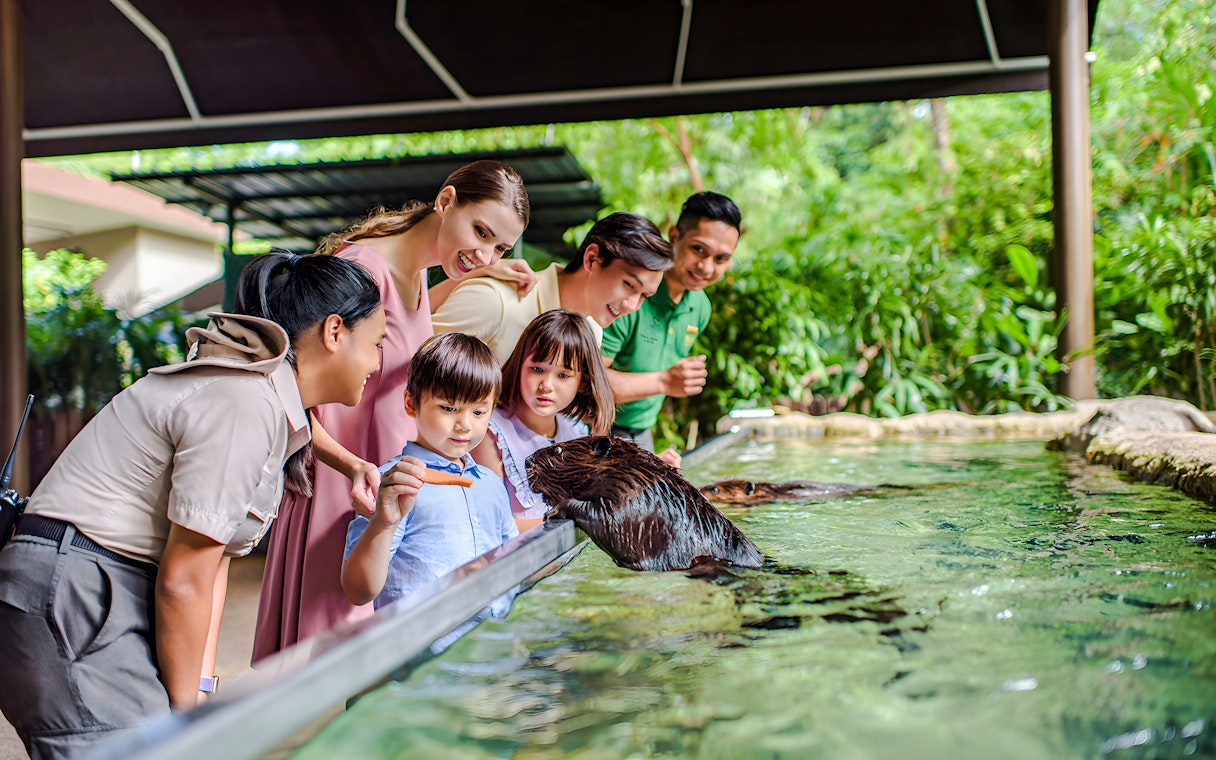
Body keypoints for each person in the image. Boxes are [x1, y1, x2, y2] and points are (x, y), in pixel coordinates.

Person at [0, 251, 384, 758]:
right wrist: (188, 718)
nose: (378, 362)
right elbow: (184, 579)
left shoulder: (266, 402)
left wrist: (199, 692)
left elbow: (211, 565)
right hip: (72, 590)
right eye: (376, 343)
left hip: (93, 583)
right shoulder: (245, 403)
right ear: (335, 332)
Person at [254, 160, 530, 662]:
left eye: (500, 246)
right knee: (330, 668)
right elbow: (287, 393)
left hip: (389, 492)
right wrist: (351, 466)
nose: (486, 252)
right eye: (481, 232)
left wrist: (484, 268)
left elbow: (404, 325)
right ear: (446, 201)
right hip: (344, 492)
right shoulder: (361, 267)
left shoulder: (419, 276)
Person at [341, 332, 516, 640]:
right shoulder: (391, 484)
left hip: (490, 649)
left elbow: (511, 566)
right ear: (411, 404)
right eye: (448, 408)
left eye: (478, 411)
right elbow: (358, 590)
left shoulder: (491, 484)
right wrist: (383, 522)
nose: (464, 424)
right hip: (420, 658)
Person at [600, 192, 742, 466]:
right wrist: (666, 381)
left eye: (721, 259)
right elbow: (588, 384)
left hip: (641, 432)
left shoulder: (700, 307)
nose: (706, 267)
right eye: (698, 250)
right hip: (592, 429)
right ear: (675, 236)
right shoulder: (633, 293)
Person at [430, 211, 673, 365]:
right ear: (592, 259)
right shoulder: (494, 301)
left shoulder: (591, 334)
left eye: (644, 296)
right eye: (629, 285)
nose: (632, 305)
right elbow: (409, 373)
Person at [470, 309, 615, 532]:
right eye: (537, 369)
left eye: (563, 375)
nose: (546, 384)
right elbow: (490, 528)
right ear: (519, 366)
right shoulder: (492, 433)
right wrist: (575, 524)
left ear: (583, 381)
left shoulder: (576, 431)